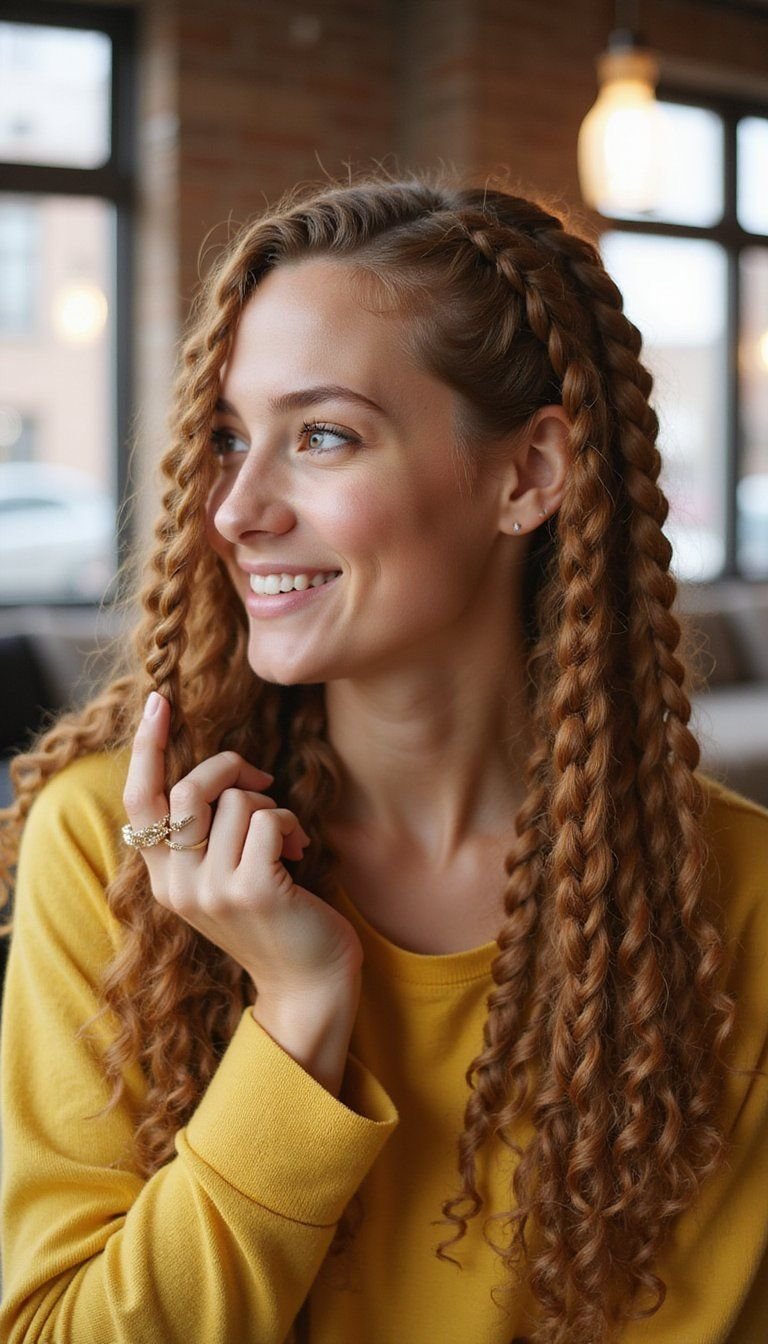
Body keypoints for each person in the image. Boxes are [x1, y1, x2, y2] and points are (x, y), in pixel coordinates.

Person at [0, 171, 766, 1344]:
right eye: (224, 437)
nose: (234, 509)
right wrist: (298, 1012)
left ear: (530, 475)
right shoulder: (113, 841)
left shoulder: (738, 892)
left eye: (320, 436)